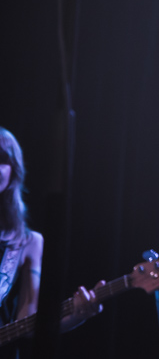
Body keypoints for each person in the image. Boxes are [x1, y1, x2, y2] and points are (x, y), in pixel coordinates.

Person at [0, 127, 103, 356]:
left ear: (13, 171)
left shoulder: (28, 243)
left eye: (2, 159)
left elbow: (27, 325)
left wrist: (78, 315)